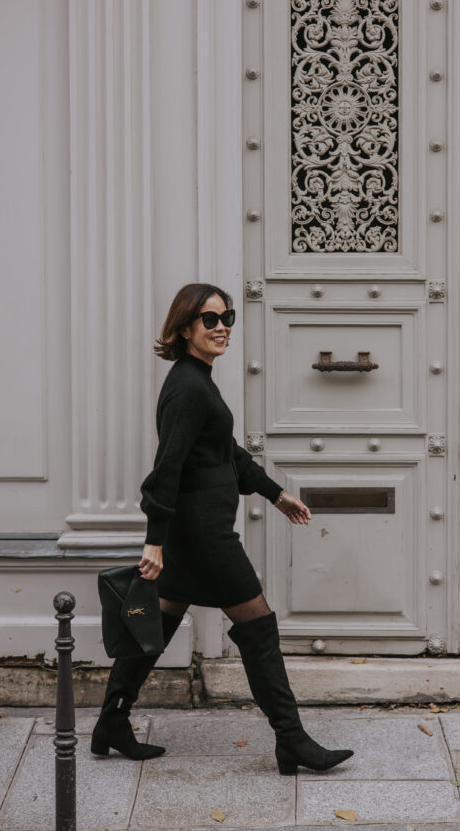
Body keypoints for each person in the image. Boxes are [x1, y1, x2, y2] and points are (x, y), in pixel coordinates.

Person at [91, 282, 353, 775]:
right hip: (203, 535)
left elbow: (227, 453)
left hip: (197, 531)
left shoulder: (197, 380)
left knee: (158, 622)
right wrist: (155, 540)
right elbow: (165, 470)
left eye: (227, 318)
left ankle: (112, 722)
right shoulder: (188, 388)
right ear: (185, 327)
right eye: (210, 320)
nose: (221, 328)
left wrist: (275, 493)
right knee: (257, 625)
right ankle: (291, 740)